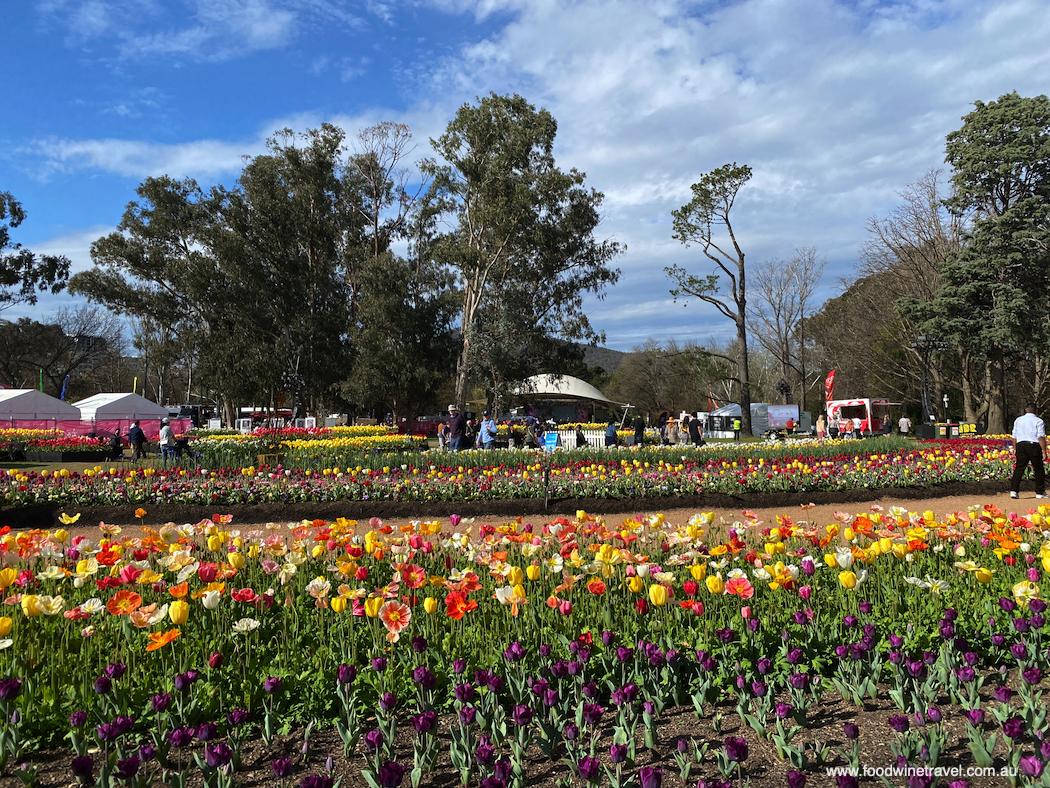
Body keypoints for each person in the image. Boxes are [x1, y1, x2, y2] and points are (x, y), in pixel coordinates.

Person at [1010, 403, 1047, 500]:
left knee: (1019, 468)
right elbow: (1040, 436)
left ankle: (1014, 491)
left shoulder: (1018, 420)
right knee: (1038, 469)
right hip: (1033, 445)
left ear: (1026, 410)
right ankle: (1040, 492)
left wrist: (1014, 448)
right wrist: (1044, 451)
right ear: (1036, 410)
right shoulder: (1039, 421)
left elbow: (1015, 436)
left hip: (1021, 445)